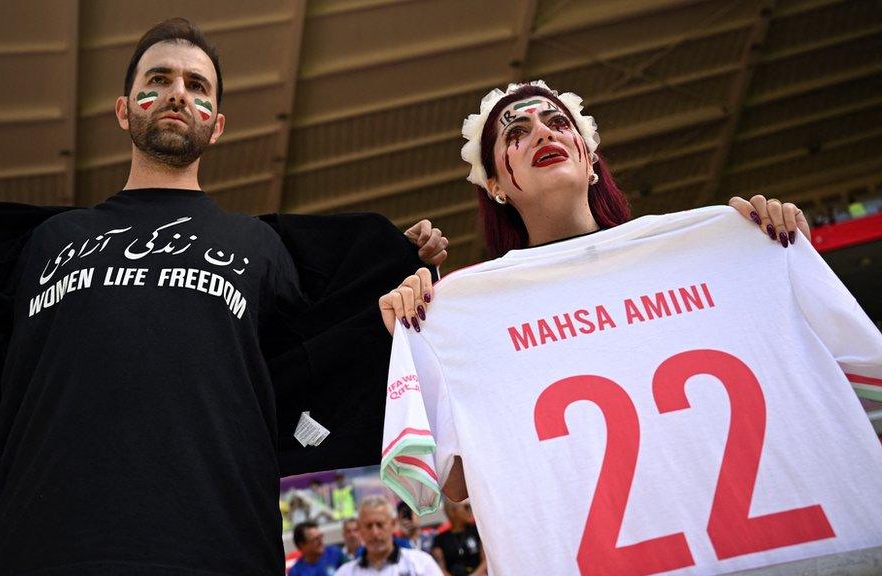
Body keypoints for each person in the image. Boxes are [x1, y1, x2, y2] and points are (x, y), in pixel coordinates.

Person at [0, 18, 445, 575]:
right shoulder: (49, 239)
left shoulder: (259, 246)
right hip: (45, 548)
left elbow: (336, 340)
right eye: (158, 81)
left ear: (216, 123)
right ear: (123, 111)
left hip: (219, 548)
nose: (177, 95)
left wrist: (401, 267)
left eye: (197, 86)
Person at [375, 80, 882, 574]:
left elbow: (862, 384)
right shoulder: (458, 311)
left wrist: (774, 256)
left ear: (591, 158)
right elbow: (460, 482)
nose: (543, 134)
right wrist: (410, 339)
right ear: (494, 184)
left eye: (556, 122)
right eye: (517, 132)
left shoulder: (731, 242)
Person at [336, 496, 442, 576]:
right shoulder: (345, 573)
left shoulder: (420, 564)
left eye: (380, 525)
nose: (375, 533)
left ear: (393, 524)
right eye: (368, 526)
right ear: (360, 529)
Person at [430, 500, 484, 576]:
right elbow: (440, 568)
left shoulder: (477, 530)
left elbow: (486, 560)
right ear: (453, 511)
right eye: (466, 507)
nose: (470, 510)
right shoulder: (440, 539)